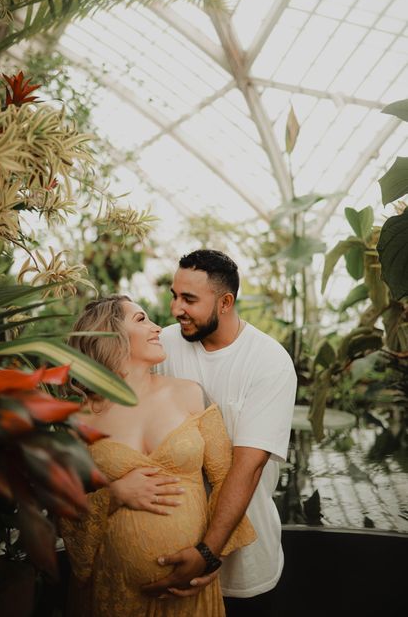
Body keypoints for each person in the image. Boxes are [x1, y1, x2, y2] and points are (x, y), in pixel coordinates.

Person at [59, 294, 256, 617]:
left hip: (189, 595)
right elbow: (63, 508)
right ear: (109, 336)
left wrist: (209, 555)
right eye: (141, 320)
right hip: (113, 592)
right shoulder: (80, 417)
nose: (157, 328)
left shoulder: (189, 393)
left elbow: (225, 480)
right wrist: (114, 495)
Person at [139, 249, 298, 616]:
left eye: (189, 299)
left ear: (225, 302)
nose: (176, 308)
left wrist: (207, 554)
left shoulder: (268, 362)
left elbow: (249, 467)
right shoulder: (162, 346)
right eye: (174, 295)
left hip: (243, 563)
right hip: (167, 547)